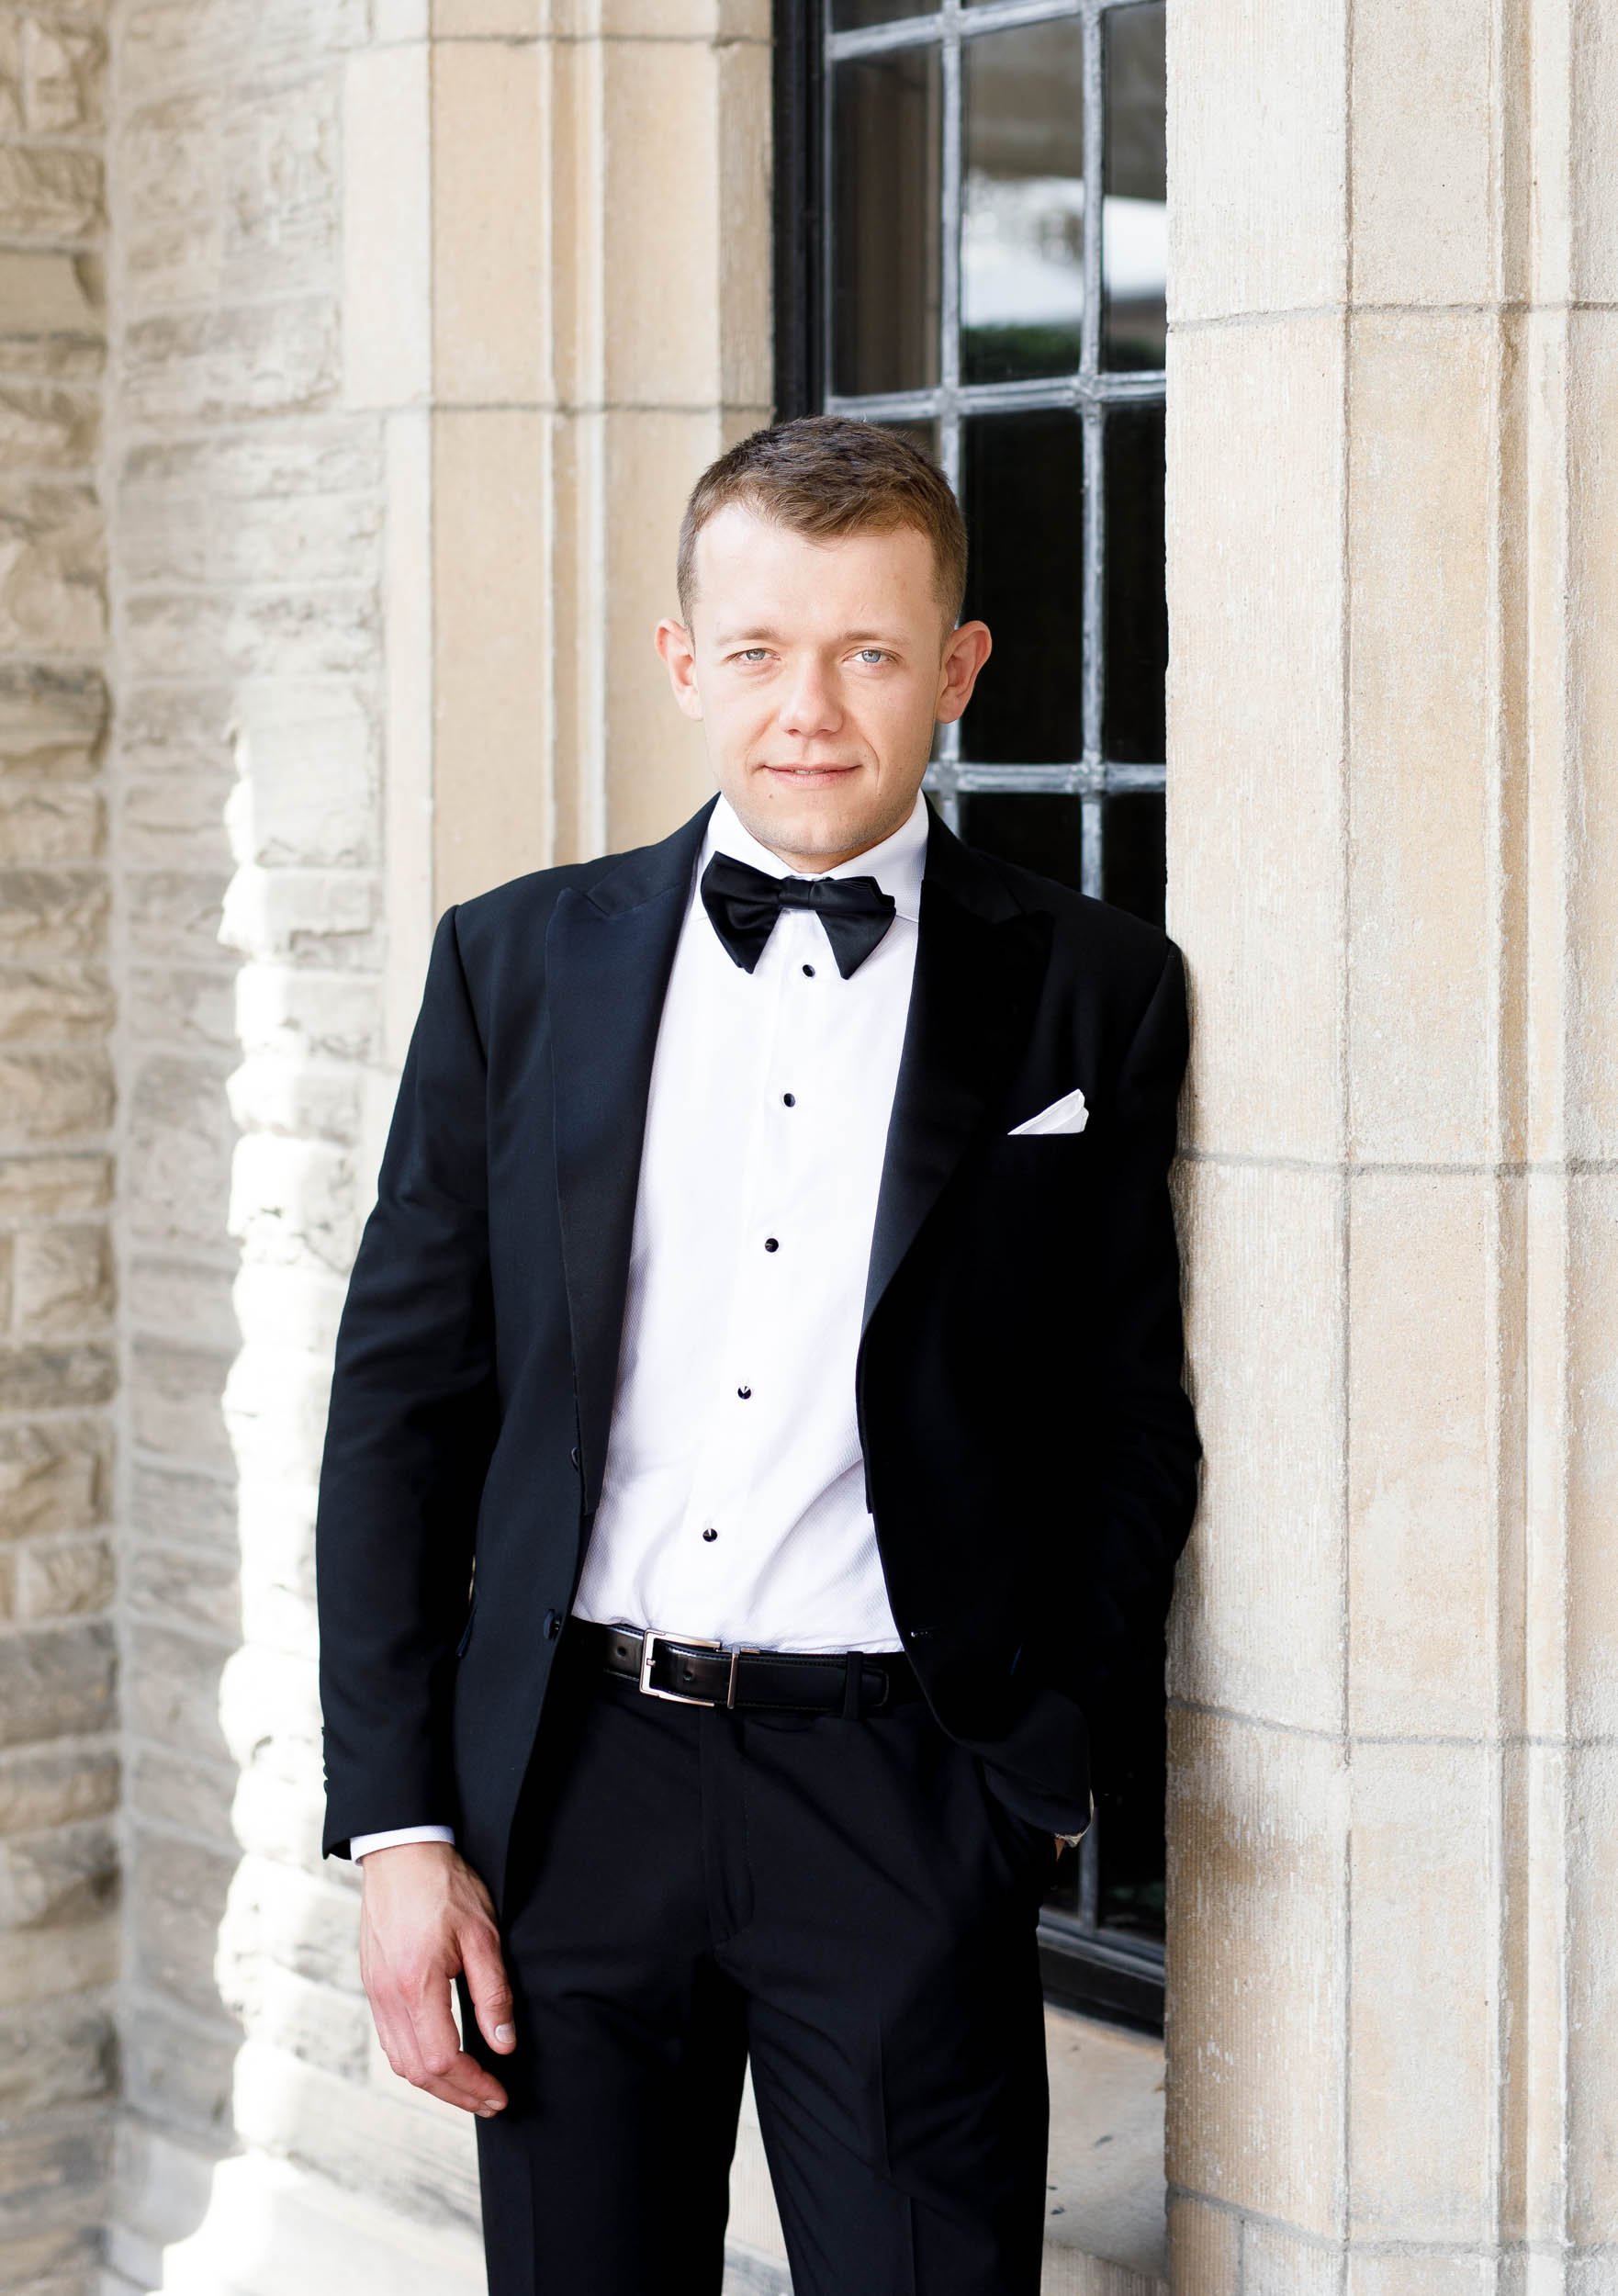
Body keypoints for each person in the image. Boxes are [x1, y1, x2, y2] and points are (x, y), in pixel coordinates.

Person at [314, 413, 1201, 2295]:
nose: (809, 706)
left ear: (955, 668)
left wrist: (1030, 1779)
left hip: (899, 1799)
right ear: (682, 661)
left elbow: (1129, 1415)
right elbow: (398, 1413)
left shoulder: (1090, 985)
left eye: (869, 650)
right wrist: (403, 1824)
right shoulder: (511, 963)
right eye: (758, 651)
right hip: (567, 1795)